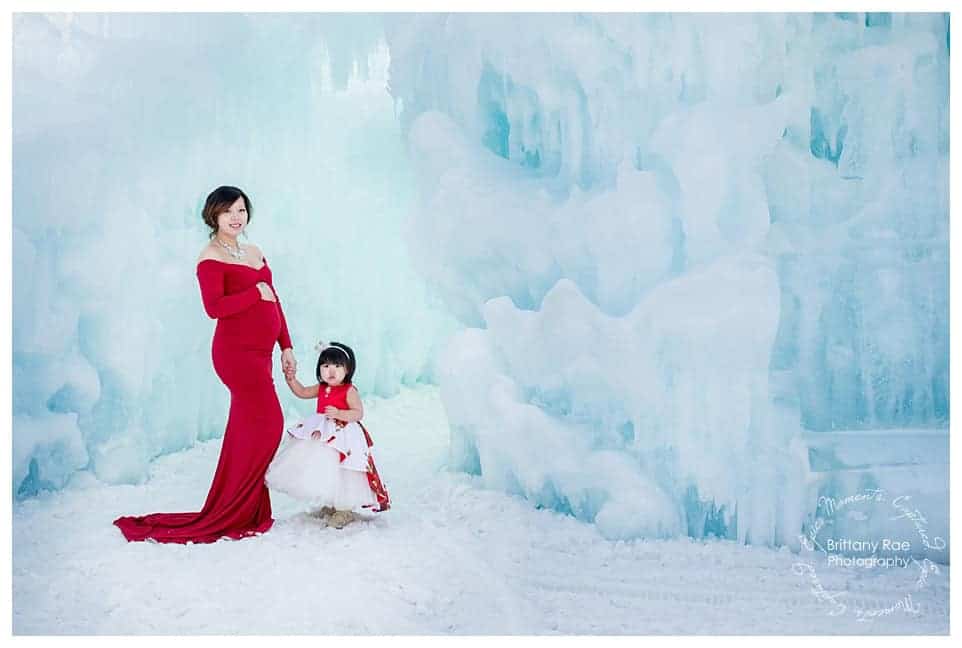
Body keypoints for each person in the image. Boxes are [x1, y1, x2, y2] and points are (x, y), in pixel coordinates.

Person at [113, 185, 297, 543]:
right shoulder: (209, 257)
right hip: (235, 354)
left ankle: (245, 507)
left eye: (241, 210)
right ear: (213, 215)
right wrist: (252, 293)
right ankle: (231, 509)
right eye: (228, 211)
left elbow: (275, 302)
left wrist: (286, 346)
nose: (236, 217)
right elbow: (214, 308)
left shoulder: (254, 252)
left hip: (262, 355)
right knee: (268, 423)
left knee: (247, 429)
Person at [266, 341, 390, 528]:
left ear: (347, 370)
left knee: (344, 469)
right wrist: (291, 379)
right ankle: (331, 502)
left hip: (343, 435)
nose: (331, 371)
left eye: (337, 366)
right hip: (322, 431)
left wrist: (339, 414)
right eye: (326, 366)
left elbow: (358, 413)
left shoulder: (349, 390)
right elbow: (302, 392)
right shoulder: (321, 387)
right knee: (323, 466)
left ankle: (344, 508)